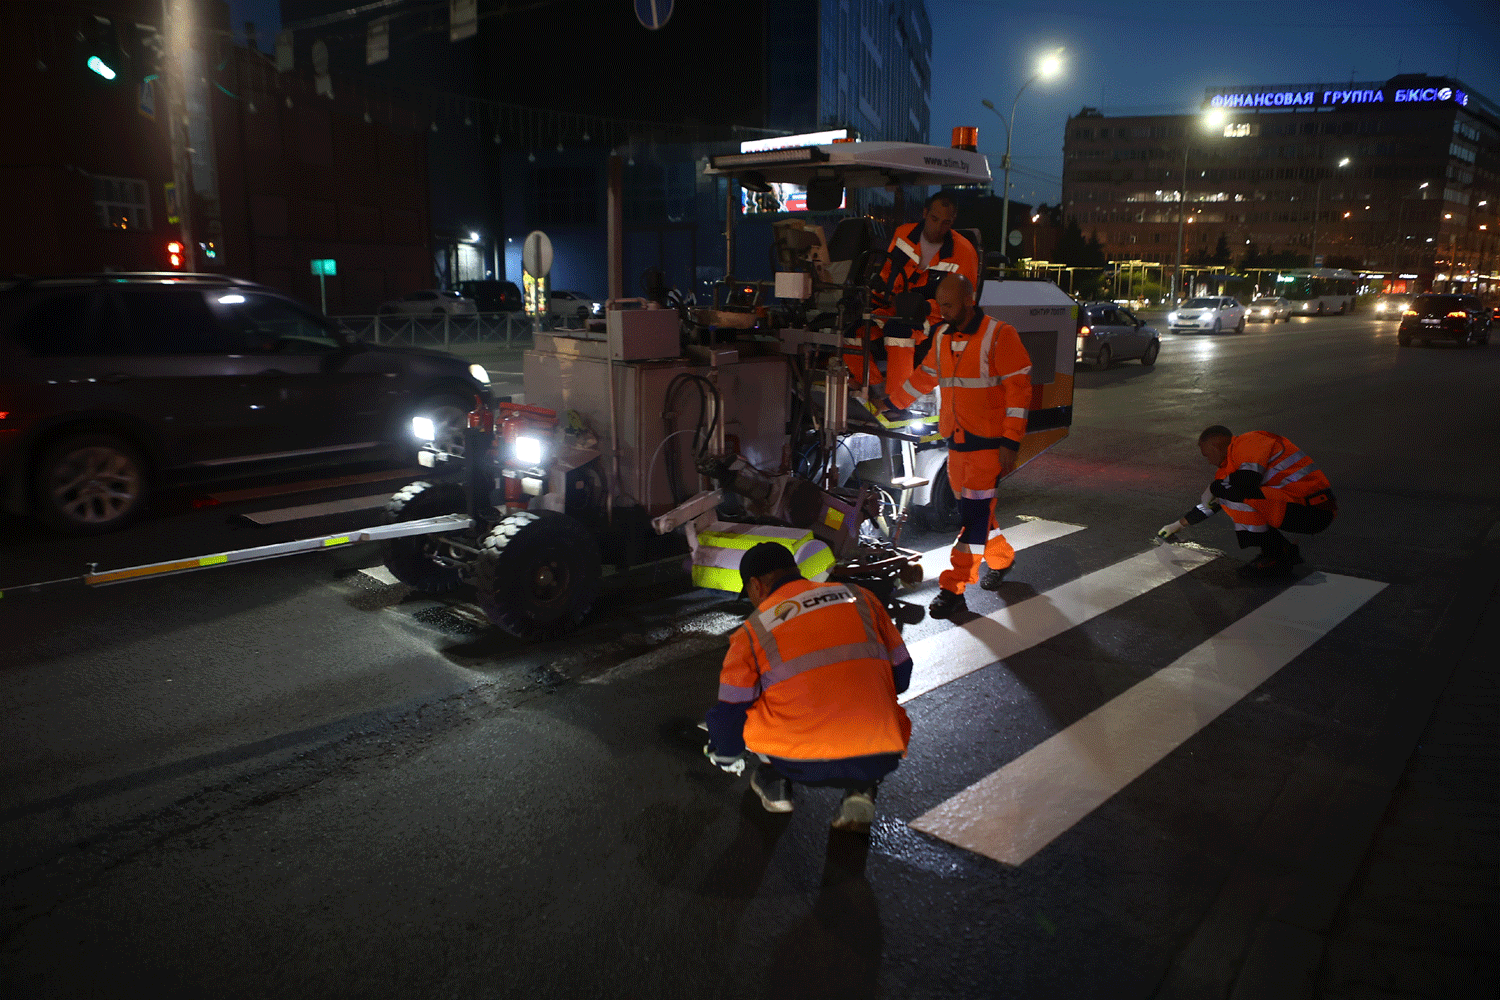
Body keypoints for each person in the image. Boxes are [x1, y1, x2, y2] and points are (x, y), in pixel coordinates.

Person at [703, 542, 913, 833]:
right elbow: (902, 675)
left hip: (800, 762)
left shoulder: (752, 632)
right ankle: (862, 789)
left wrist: (725, 754)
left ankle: (773, 783)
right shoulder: (861, 597)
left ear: (756, 585)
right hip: (880, 752)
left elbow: (730, 712)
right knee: (876, 703)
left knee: (750, 712)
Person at [881, 273, 1032, 620]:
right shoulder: (941, 336)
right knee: (976, 513)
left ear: (968, 300)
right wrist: (893, 403)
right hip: (957, 445)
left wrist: (1011, 442)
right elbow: (924, 376)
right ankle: (1002, 559)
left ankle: (954, 588)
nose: (942, 311)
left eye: (948, 305)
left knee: (974, 518)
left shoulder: (1000, 335)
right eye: (940, 305)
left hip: (987, 448)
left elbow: (1020, 393)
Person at [843, 191, 979, 392]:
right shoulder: (903, 234)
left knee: (899, 331)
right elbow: (887, 273)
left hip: (933, 318)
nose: (938, 227)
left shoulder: (964, 252)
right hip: (894, 309)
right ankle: (873, 388)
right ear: (925, 213)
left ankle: (897, 398)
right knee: (852, 332)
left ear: (953, 221)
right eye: (934, 219)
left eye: (946, 222)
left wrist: (926, 307)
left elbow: (965, 302)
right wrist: (872, 295)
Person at [1157, 425, 1338, 576]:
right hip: (1297, 506)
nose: (1208, 461)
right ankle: (1282, 551)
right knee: (1230, 494)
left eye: (1207, 455)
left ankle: (1276, 557)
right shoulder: (1227, 470)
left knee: (1238, 495)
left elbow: (1247, 481)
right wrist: (1177, 525)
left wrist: (1216, 487)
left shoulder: (1248, 442)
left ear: (1215, 446)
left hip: (1315, 508)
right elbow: (1214, 503)